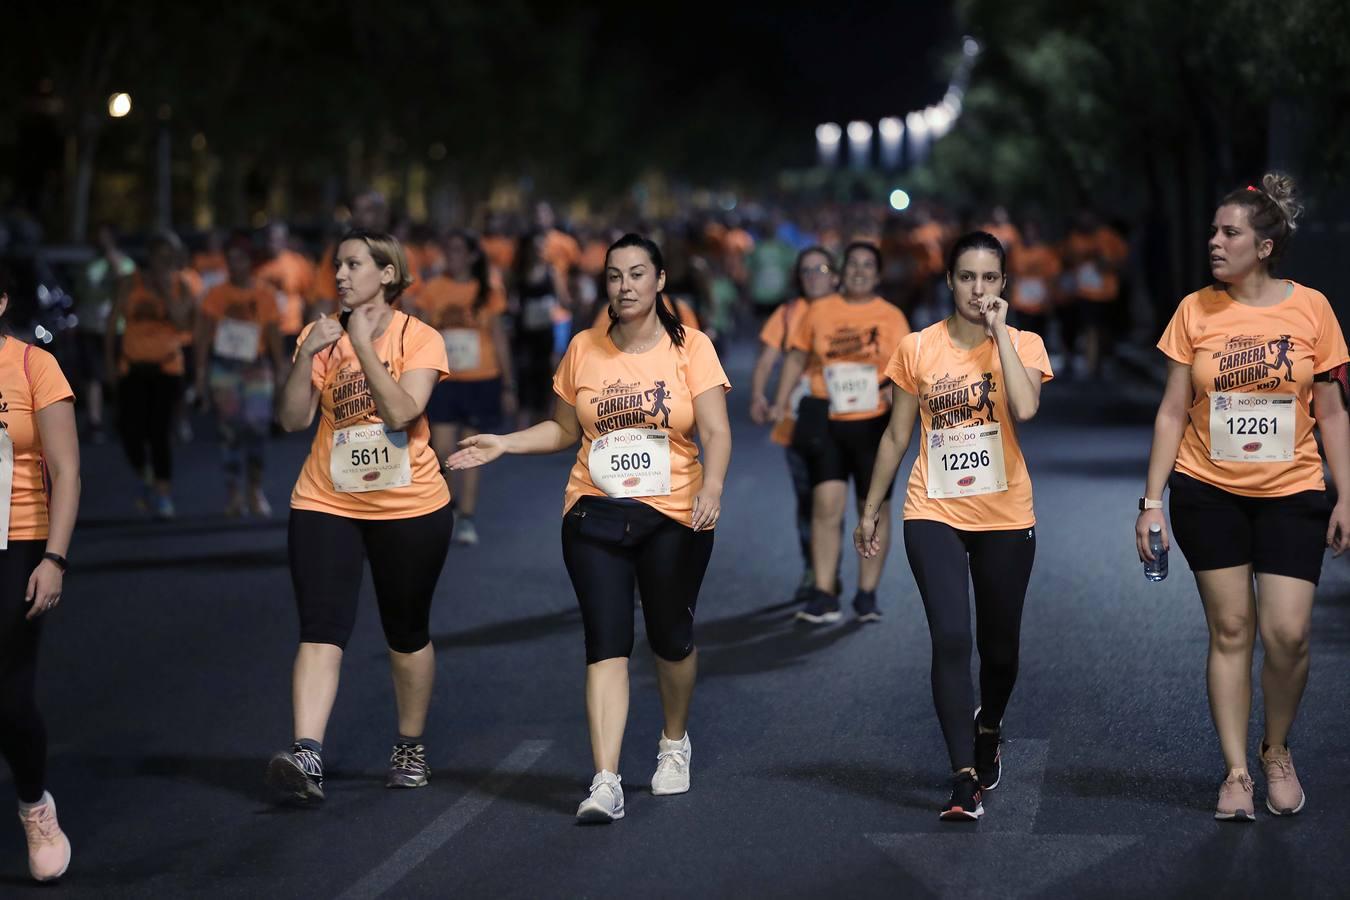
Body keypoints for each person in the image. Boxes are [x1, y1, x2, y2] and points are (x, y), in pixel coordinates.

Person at [447, 233, 731, 824]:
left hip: (674, 514)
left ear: (658, 282)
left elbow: (717, 431)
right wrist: (504, 442)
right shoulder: (583, 347)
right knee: (605, 643)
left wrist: (713, 488)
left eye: (636, 274)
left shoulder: (692, 347)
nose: (624, 286)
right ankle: (606, 780)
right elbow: (561, 431)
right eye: (613, 276)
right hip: (593, 513)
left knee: (670, 639)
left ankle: (674, 742)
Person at [1136, 174, 1350, 821]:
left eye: (1229, 232)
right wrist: (1151, 502)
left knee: (1287, 635)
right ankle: (1235, 774)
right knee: (1231, 630)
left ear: (1265, 245)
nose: (1214, 242)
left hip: (1293, 492)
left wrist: (1346, 496)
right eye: (1213, 231)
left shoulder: (1311, 309)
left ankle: (1275, 749)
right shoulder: (1194, 311)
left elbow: (1333, 412)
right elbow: (1173, 411)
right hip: (1208, 491)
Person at [857, 231, 1052, 822]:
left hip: (1005, 512)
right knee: (950, 638)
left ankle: (988, 724)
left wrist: (1000, 337)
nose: (978, 289)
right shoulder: (917, 348)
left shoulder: (1024, 343)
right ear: (949, 281)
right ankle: (963, 776)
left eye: (989, 278)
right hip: (932, 508)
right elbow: (896, 434)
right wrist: (871, 506)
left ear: (1003, 285)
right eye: (967, 277)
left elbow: (1024, 408)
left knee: (1000, 650)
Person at [267, 229, 453, 804]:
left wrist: (362, 344)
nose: (341, 276)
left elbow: (400, 411)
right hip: (327, 498)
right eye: (337, 266)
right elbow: (293, 420)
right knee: (321, 628)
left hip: (410, 503)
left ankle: (409, 744)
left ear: (388, 274)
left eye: (353, 264)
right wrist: (306, 355)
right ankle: (307, 753)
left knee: (406, 632)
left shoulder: (420, 338)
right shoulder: (317, 336)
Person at [770, 242, 910, 623]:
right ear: (841, 272)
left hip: (873, 421)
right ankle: (824, 592)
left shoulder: (892, 316)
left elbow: (905, 369)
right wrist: (782, 399)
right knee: (826, 505)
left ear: (878, 275)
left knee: (873, 508)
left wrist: (887, 391)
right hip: (824, 416)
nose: (860, 271)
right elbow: (797, 355)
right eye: (853, 265)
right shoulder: (819, 310)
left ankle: (867, 594)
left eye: (868, 265)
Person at [0, 266, 80, 881]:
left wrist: (53, 558)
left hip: (19, 541)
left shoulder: (33, 366)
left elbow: (66, 469)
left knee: (11, 696)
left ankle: (34, 806)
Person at [749, 246, 840, 604]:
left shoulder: (851, 311)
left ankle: (829, 571)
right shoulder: (788, 313)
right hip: (796, 421)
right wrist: (758, 394)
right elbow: (766, 360)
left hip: (844, 419)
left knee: (832, 499)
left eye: (820, 268)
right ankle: (815, 569)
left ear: (835, 275)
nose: (813, 275)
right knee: (808, 499)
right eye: (806, 270)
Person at [415, 230, 514, 546]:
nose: (453, 255)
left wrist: (509, 384)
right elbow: (420, 333)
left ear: (472, 255)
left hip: (482, 378)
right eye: (450, 249)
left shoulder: (488, 290)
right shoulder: (431, 289)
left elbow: (498, 336)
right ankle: (450, 504)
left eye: (459, 249)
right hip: (443, 380)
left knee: (472, 450)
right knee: (442, 450)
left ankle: (467, 517)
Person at [194, 232, 286, 516]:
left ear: (250, 263)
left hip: (256, 366)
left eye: (241, 260)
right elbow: (203, 336)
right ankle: (234, 493)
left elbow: (273, 334)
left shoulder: (264, 294)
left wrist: (281, 371)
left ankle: (254, 488)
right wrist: (200, 374)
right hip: (225, 366)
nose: (236, 266)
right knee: (229, 431)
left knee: (258, 428)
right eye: (231, 260)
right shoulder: (216, 294)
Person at [105, 231, 194, 519]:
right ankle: (144, 472)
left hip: (167, 368)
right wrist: (110, 362)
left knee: (159, 432)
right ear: (150, 257)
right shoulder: (131, 283)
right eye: (159, 257)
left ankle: (163, 492)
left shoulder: (183, 285)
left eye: (169, 258)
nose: (163, 263)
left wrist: (167, 290)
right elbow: (112, 323)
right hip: (132, 367)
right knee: (129, 430)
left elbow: (182, 322)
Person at [74, 223, 135, 442]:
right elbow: (81, 290)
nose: (102, 242)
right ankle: (95, 421)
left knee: (119, 373)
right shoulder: (90, 264)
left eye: (106, 237)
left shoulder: (125, 262)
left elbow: (126, 285)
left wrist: (113, 259)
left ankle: (123, 419)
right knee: (93, 375)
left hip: (117, 328)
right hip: (91, 325)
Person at [511, 230, 571, 429]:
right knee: (524, 375)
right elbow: (510, 300)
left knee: (545, 376)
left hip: (545, 333)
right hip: (524, 333)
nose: (539, 251)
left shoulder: (551, 272)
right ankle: (523, 427)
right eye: (536, 247)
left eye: (542, 247)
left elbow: (564, 300)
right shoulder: (518, 273)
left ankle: (544, 425)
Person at [256, 222, 316, 357]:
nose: (273, 243)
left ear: (285, 240)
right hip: (265, 331)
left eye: (277, 239)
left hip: (291, 328)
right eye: (270, 239)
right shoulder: (258, 267)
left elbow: (310, 296)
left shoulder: (297, 263)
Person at [1007, 219, 1060, 338]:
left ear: (1038, 233)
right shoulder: (1016, 251)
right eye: (1026, 231)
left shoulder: (1046, 252)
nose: (1029, 234)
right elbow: (1009, 273)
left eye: (1032, 231)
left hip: (1040, 301)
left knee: (1040, 335)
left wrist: (1050, 297)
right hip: (1021, 302)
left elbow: (1053, 275)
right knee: (1024, 334)